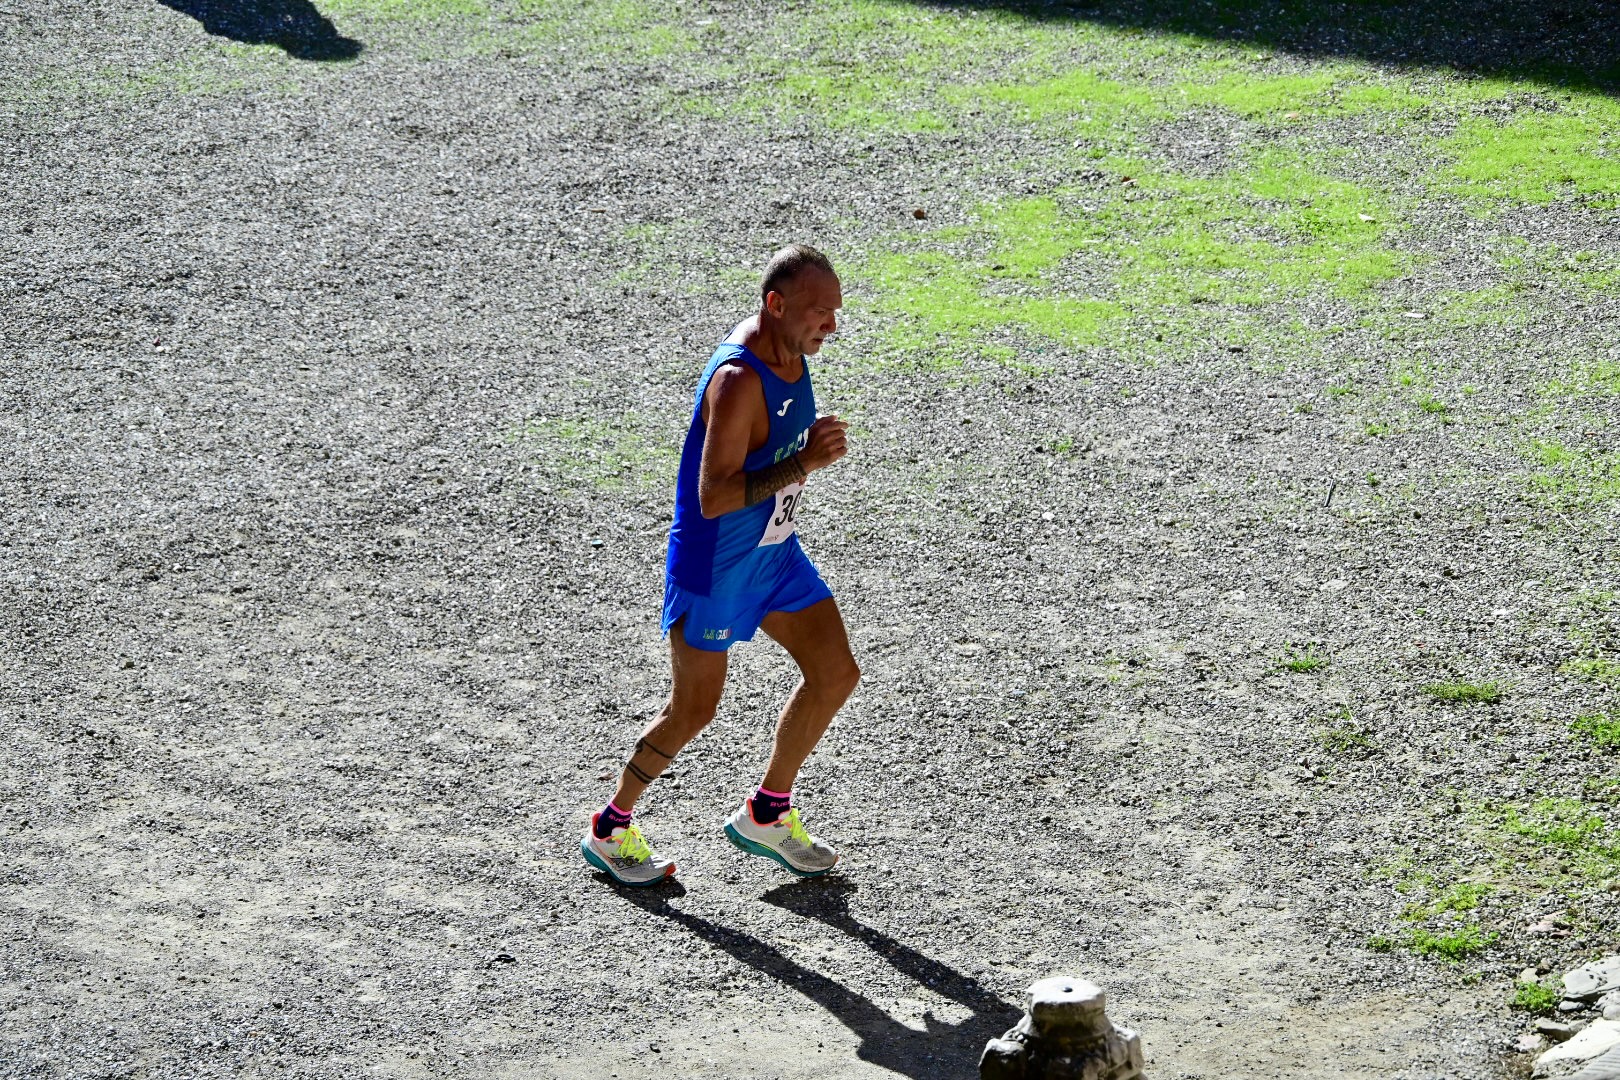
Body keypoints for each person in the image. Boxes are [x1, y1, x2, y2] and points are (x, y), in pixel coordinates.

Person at [580, 244, 859, 886]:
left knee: (835, 673)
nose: (831, 325)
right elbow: (714, 496)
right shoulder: (738, 380)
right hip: (716, 568)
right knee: (694, 710)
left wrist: (801, 454)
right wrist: (805, 463)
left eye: (836, 312)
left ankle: (767, 812)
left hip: (773, 553)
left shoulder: (790, 352)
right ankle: (610, 827)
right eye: (820, 312)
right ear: (775, 304)